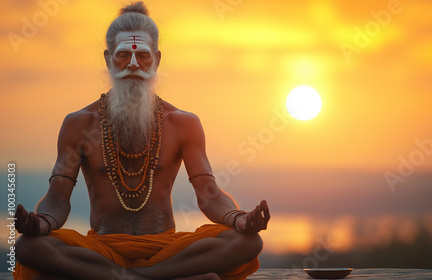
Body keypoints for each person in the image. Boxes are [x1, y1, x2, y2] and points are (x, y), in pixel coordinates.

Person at [13, 2, 270, 280]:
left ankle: (127, 277)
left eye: (143, 56)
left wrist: (239, 219)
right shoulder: (79, 123)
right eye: (123, 55)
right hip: (103, 247)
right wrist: (42, 223)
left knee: (248, 242)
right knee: (28, 246)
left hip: (166, 247)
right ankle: (159, 278)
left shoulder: (183, 123)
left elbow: (209, 195)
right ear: (108, 58)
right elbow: (57, 198)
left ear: (157, 59)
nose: (133, 64)